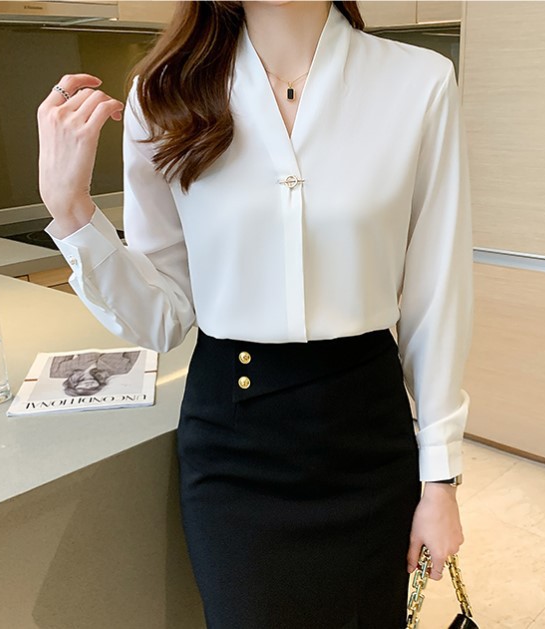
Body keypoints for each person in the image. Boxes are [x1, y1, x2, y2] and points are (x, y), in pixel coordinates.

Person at [36, 1, 473, 627]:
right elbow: (162, 317)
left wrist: (440, 480)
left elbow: (437, 296)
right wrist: (71, 210)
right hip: (234, 449)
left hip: (368, 435)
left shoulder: (419, 82)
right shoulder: (163, 93)